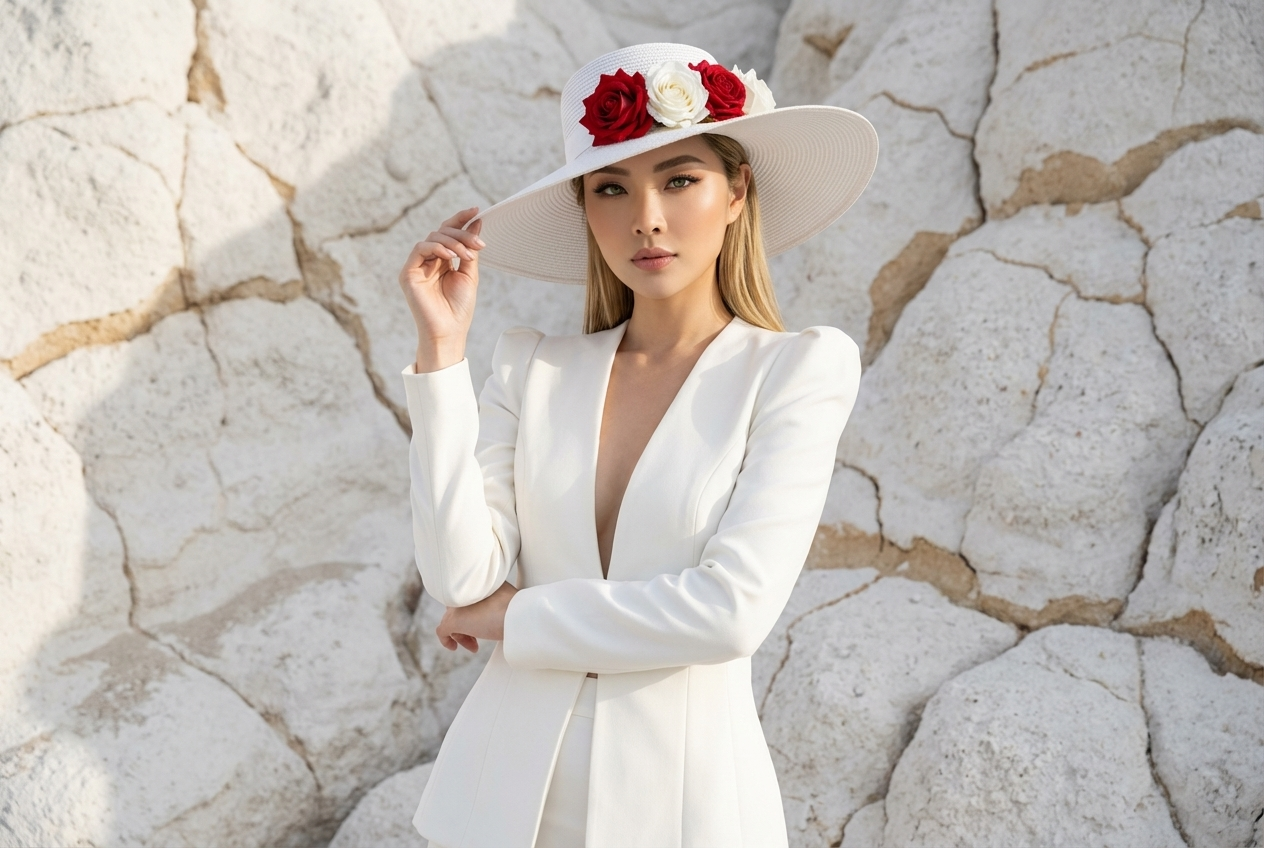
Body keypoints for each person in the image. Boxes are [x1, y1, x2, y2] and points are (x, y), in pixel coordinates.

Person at [397, 42, 877, 848]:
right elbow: (459, 575)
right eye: (611, 188)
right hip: (499, 809)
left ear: (737, 191)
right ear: (586, 209)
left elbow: (730, 613)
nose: (645, 218)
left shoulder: (795, 370)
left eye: (679, 179)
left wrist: (517, 617)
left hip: (682, 815)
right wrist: (441, 355)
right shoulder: (532, 367)